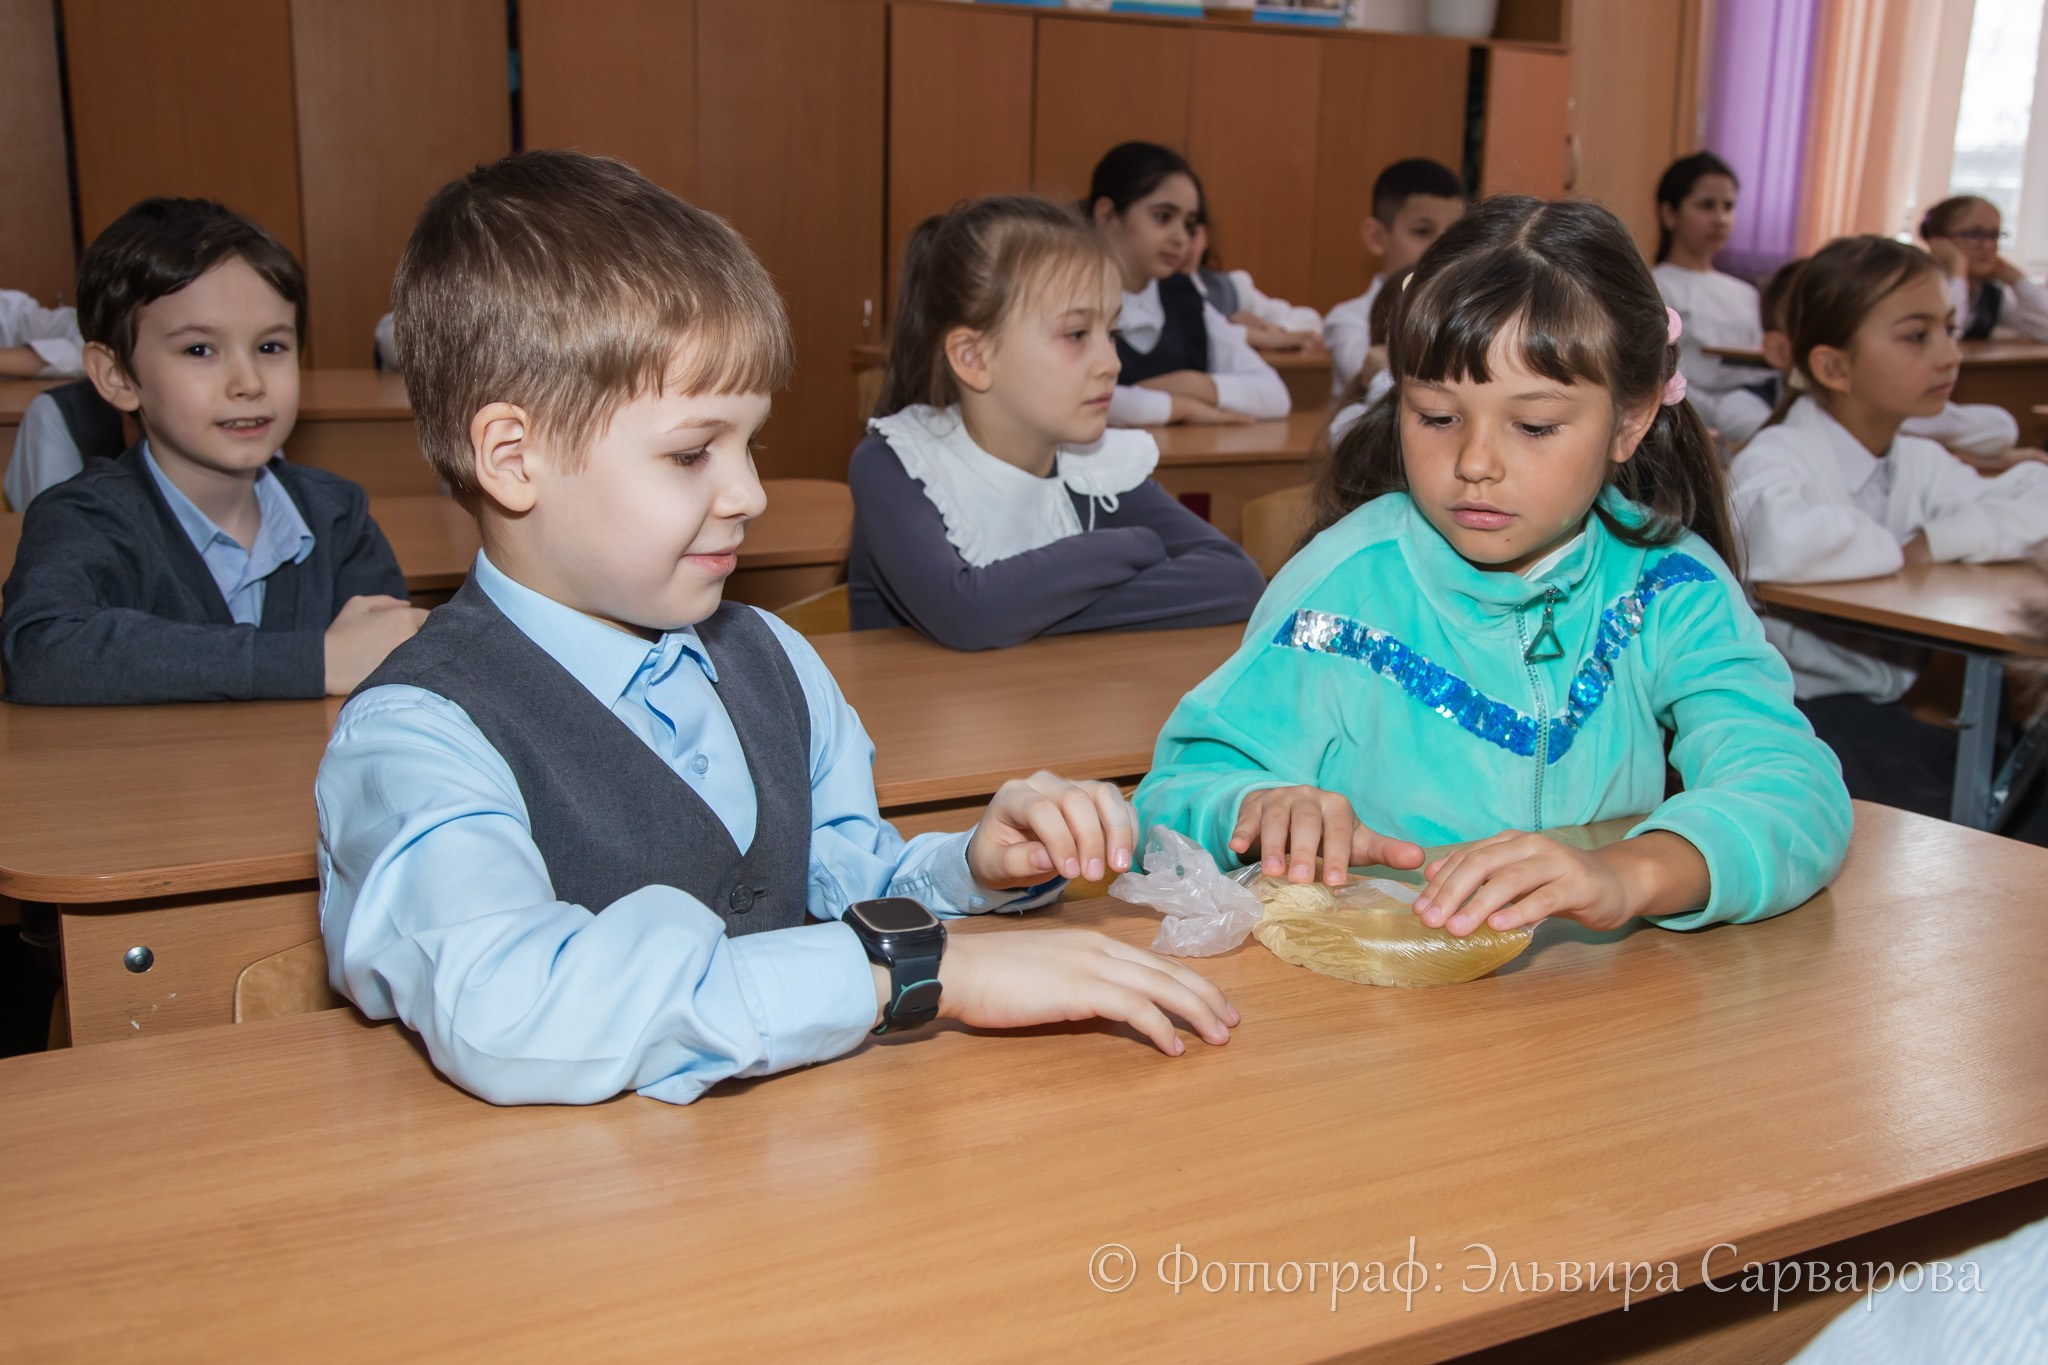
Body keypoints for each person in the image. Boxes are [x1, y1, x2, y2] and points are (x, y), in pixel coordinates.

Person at [318, 151, 1238, 1107]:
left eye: (749, 443)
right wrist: (922, 971)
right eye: (690, 453)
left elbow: (845, 871)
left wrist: (972, 864)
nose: (749, 492)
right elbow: (508, 1007)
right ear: (513, 458)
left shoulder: (772, 659)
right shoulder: (416, 736)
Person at [1138, 196, 1849, 937]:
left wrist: (1628, 873)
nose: (1474, 462)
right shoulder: (1344, 587)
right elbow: (1171, 797)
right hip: (1382, 1007)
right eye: (1437, 417)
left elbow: (1795, 789)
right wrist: (1253, 806)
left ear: (1630, 421)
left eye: (1535, 425)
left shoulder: (1667, 583)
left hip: (1599, 1009)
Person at [1, 197, 416, 704]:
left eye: (271, 347)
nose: (248, 382)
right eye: (199, 350)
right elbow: (41, 653)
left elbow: (392, 656)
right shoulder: (83, 518)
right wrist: (312, 661)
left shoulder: (337, 517)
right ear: (117, 377)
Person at [848, 195, 1265, 648]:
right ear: (973, 358)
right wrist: (1131, 545)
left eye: (1113, 333)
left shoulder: (1096, 464)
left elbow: (1235, 579)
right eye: (1076, 334)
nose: (1111, 363)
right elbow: (969, 614)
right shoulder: (896, 464)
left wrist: (1023, 613)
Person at [1730, 234, 2048, 822]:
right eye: (1917, 336)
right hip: (1801, 719)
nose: (1949, 356)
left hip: (1888, 712)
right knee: (1983, 813)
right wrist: (1901, 551)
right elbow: (1777, 541)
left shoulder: (1918, 460)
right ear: (1833, 365)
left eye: (1950, 329)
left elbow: (2038, 499)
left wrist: (1938, 541)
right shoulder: (1777, 457)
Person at [1087, 142, 1288, 427]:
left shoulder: (1183, 297)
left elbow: (1275, 396)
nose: (1180, 238)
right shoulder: (1069, 299)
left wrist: (1192, 385)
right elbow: (1064, 396)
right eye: (1163, 217)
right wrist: (1178, 407)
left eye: (1189, 224)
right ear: (1107, 215)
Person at [1650, 152, 1773, 448]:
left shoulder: (1745, 293)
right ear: (1669, 214)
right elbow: (1659, 373)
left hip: (1747, 409)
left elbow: (1760, 368)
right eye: (1706, 206)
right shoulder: (1655, 284)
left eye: (1728, 207)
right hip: (1687, 418)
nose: (1720, 219)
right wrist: (1714, 417)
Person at [1323, 157, 1466, 394]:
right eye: (1422, 231)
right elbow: (1384, 385)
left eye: (1452, 234)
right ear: (1377, 237)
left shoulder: (1466, 315)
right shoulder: (1348, 320)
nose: (1440, 247)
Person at [1920, 194, 2048, 343]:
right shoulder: (1921, 287)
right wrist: (1957, 271)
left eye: (1994, 235)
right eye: (1974, 234)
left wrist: (2019, 281)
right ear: (1939, 242)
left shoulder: (1991, 295)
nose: (1988, 245)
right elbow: (1946, 337)